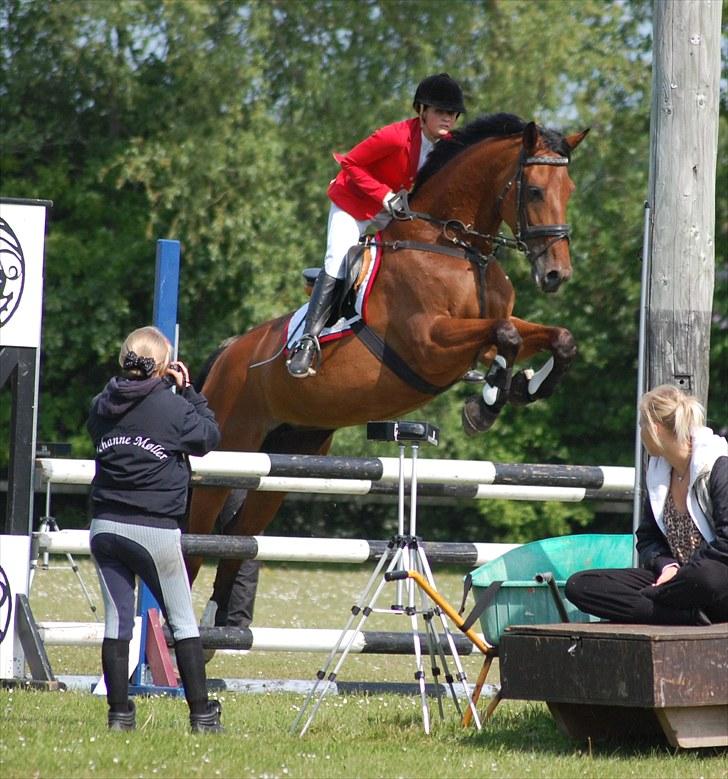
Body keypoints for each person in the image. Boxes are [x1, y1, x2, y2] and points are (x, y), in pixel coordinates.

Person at [87, 326, 223, 732]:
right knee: (182, 621)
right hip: (154, 529)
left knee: (117, 623)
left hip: (105, 527)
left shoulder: (100, 405)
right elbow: (209, 437)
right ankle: (201, 715)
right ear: (164, 366)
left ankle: (119, 715)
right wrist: (190, 392)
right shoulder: (174, 408)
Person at [286, 72, 466, 378]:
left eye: (452, 114)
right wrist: (384, 196)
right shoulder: (395, 136)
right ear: (421, 111)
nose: (447, 119)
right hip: (354, 204)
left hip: (393, 211)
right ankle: (307, 341)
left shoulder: (448, 146)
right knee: (338, 259)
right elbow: (350, 163)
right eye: (440, 112)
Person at [566, 384, 728, 625]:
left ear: (654, 428)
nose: (640, 432)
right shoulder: (659, 473)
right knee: (580, 585)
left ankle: (653, 602)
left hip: (712, 579)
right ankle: (682, 616)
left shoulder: (718, 466)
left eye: (642, 425)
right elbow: (648, 537)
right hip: (679, 582)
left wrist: (683, 575)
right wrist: (667, 566)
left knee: (706, 577)